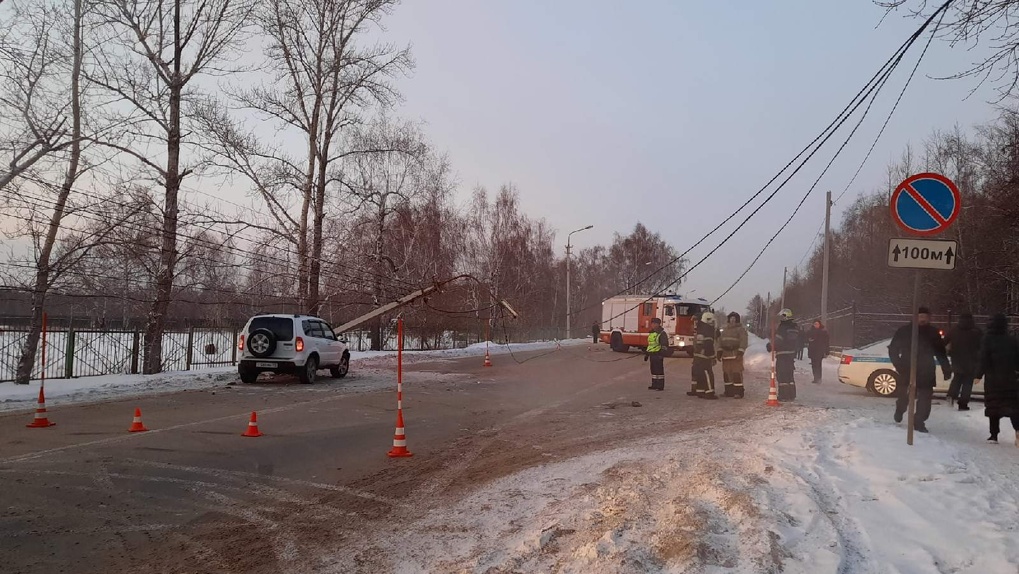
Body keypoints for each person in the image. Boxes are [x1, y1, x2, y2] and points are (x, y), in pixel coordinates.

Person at [888, 306, 951, 433]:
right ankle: (900, 409)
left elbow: (940, 352)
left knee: (925, 398)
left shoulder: (933, 333)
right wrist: (899, 365)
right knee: (903, 395)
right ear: (915, 317)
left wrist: (946, 368)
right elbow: (893, 349)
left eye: (925, 317)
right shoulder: (904, 331)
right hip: (907, 368)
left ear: (929, 318)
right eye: (920, 317)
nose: (923, 320)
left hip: (926, 370)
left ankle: (919, 421)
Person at [975, 314, 1019, 445]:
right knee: (1013, 407)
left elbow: (983, 359)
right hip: (1011, 379)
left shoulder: (987, 339)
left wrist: (978, 375)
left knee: (993, 407)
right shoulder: (1012, 340)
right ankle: (1017, 429)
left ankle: (994, 435)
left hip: (993, 379)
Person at [944, 312, 982, 411]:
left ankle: (951, 395)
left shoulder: (954, 330)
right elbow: (982, 345)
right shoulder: (977, 331)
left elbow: (944, 342)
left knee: (956, 379)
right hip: (972, 361)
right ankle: (963, 404)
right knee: (967, 384)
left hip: (957, 359)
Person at [767, 309, 801, 401]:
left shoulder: (783, 327)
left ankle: (784, 396)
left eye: (782, 316)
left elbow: (778, 340)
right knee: (789, 375)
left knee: (782, 376)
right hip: (791, 355)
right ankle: (791, 395)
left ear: (785, 316)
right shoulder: (794, 327)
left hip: (782, 354)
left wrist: (770, 346)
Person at [718, 312, 748, 398]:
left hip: (735, 355)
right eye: (731, 318)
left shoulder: (740, 330)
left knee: (736, 373)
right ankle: (728, 391)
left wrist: (741, 352)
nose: (732, 320)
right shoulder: (725, 330)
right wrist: (719, 352)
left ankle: (738, 392)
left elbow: (744, 341)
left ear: (737, 320)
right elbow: (720, 341)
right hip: (726, 355)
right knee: (727, 374)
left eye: (734, 319)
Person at [692, 312, 719, 399]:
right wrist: (713, 357)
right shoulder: (708, 329)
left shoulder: (700, 328)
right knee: (707, 373)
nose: (712, 323)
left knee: (700, 373)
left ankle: (700, 391)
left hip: (698, 354)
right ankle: (709, 392)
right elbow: (709, 344)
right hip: (704, 355)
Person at [644, 317, 670, 391]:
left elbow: (664, 345)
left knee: (659, 371)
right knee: (653, 370)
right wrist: (647, 354)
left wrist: (661, 354)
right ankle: (654, 384)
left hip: (658, 354)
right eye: (652, 323)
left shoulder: (662, 333)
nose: (653, 325)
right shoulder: (652, 333)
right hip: (652, 354)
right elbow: (650, 344)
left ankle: (660, 386)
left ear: (659, 324)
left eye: (655, 323)